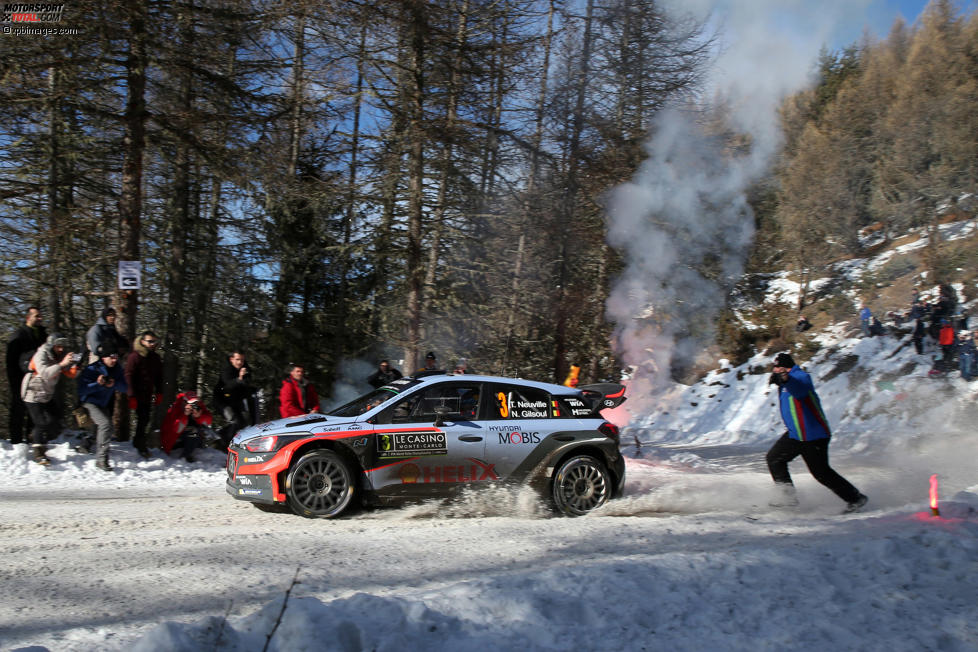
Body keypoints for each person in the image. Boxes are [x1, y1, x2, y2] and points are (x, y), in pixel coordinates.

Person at [765, 352, 867, 513]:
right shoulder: (784, 381)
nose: (775, 370)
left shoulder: (800, 376)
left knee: (821, 472)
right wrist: (783, 381)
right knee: (775, 459)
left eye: (778, 367)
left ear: (786, 368)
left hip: (812, 435)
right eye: (775, 367)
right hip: (797, 434)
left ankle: (856, 498)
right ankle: (787, 498)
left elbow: (800, 389)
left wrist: (786, 380)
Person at [20, 334, 81, 465]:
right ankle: (38, 452)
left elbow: (70, 374)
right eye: (58, 346)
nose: (60, 349)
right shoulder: (40, 354)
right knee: (41, 422)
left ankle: (37, 438)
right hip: (32, 392)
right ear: (51, 345)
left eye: (62, 347)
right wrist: (62, 364)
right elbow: (45, 373)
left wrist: (75, 364)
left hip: (46, 395)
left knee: (54, 420)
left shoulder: (58, 357)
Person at [77, 342, 128, 471]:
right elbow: (81, 390)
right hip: (89, 403)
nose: (114, 360)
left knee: (106, 428)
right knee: (105, 425)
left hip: (103, 404)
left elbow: (125, 387)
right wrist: (97, 384)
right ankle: (101, 459)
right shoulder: (92, 369)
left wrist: (114, 383)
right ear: (103, 357)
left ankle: (86, 444)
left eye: (116, 357)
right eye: (111, 357)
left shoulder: (117, 370)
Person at [5, 306, 48, 444]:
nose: (40, 319)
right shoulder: (19, 334)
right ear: (28, 318)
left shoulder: (43, 335)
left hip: (37, 378)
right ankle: (16, 440)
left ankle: (32, 438)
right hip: (20, 378)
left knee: (35, 408)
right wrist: (14, 379)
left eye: (41, 316)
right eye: (37, 316)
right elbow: (10, 360)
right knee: (18, 408)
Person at [125, 330, 163, 458]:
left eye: (154, 341)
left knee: (145, 419)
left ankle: (138, 441)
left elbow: (159, 377)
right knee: (142, 419)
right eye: (150, 341)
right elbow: (128, 375)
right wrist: (131, 395)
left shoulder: (155, 358)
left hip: (147, 394)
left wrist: (159, 392)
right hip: (136, 393)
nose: (152, 344)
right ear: (142, 341)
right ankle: (140, 445)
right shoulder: (135, 356)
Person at [161, 391, 215, 462]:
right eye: (190, 403)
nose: (193, 405)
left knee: (203, 431)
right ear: (185, 402)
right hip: (175, 439)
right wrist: (185, 415)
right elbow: (176, 429)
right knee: (193, 432)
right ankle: (184, 457)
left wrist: (199, 417)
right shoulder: (177, 407)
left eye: (195, 402)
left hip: (193, 438)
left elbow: (209, 420)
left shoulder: (198, 405)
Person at [214, 351, 257, 438]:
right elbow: (227, 386)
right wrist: (239, 379)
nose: (240, 362)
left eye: (242, 360)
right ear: (231, 359)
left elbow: (248, 389)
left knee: (243, 423)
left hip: (236, 401)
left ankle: (220, 435)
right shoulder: (226, 370)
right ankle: (225, 442)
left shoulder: (245, 370)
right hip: (222, 401)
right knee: (234, 421)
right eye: (237, 359)